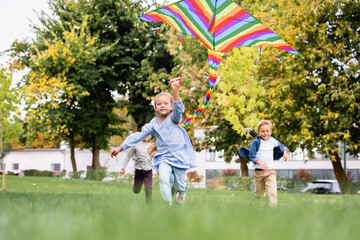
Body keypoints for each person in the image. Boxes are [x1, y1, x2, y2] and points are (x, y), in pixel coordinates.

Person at [111, 81, 196, 206]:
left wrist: (175, 91)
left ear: (171, 107)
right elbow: (138, 136)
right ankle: (168, 205)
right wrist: (121, 147)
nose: (162, 106)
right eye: (159, 104)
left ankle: (182, 192)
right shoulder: (153, 124)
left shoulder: (174, 118)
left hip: (179, 155)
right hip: (164, 157)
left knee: (179, 184)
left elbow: (179, 109)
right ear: (155, 108)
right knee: (163, 179)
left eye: (166, 103)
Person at [238, 120, 288, 206]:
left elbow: (282, 146)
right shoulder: (256, 142)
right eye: (262, 131)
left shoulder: (273, 141)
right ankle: (261, 194)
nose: (265, 133)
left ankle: (273, 210)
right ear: (258, 133)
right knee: (258, 195)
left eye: (267, 131)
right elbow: (252, 156)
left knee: (273, 192)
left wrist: (285, 153)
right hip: (259, 172)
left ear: (270, 132)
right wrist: (260, 163)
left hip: (270, 172)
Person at [121, 135, 153, 204]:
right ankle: (135, 188)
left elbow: (157, 157)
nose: (147, 136)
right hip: (139, 170)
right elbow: (128, 156)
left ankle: (149, 205)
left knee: (149, 187)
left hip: (148, 170)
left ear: (151, 136)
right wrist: (123, 168)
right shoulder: (136, 145)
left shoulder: (152, 146)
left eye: (149, 134)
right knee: (136, 190)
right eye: (146, 133)